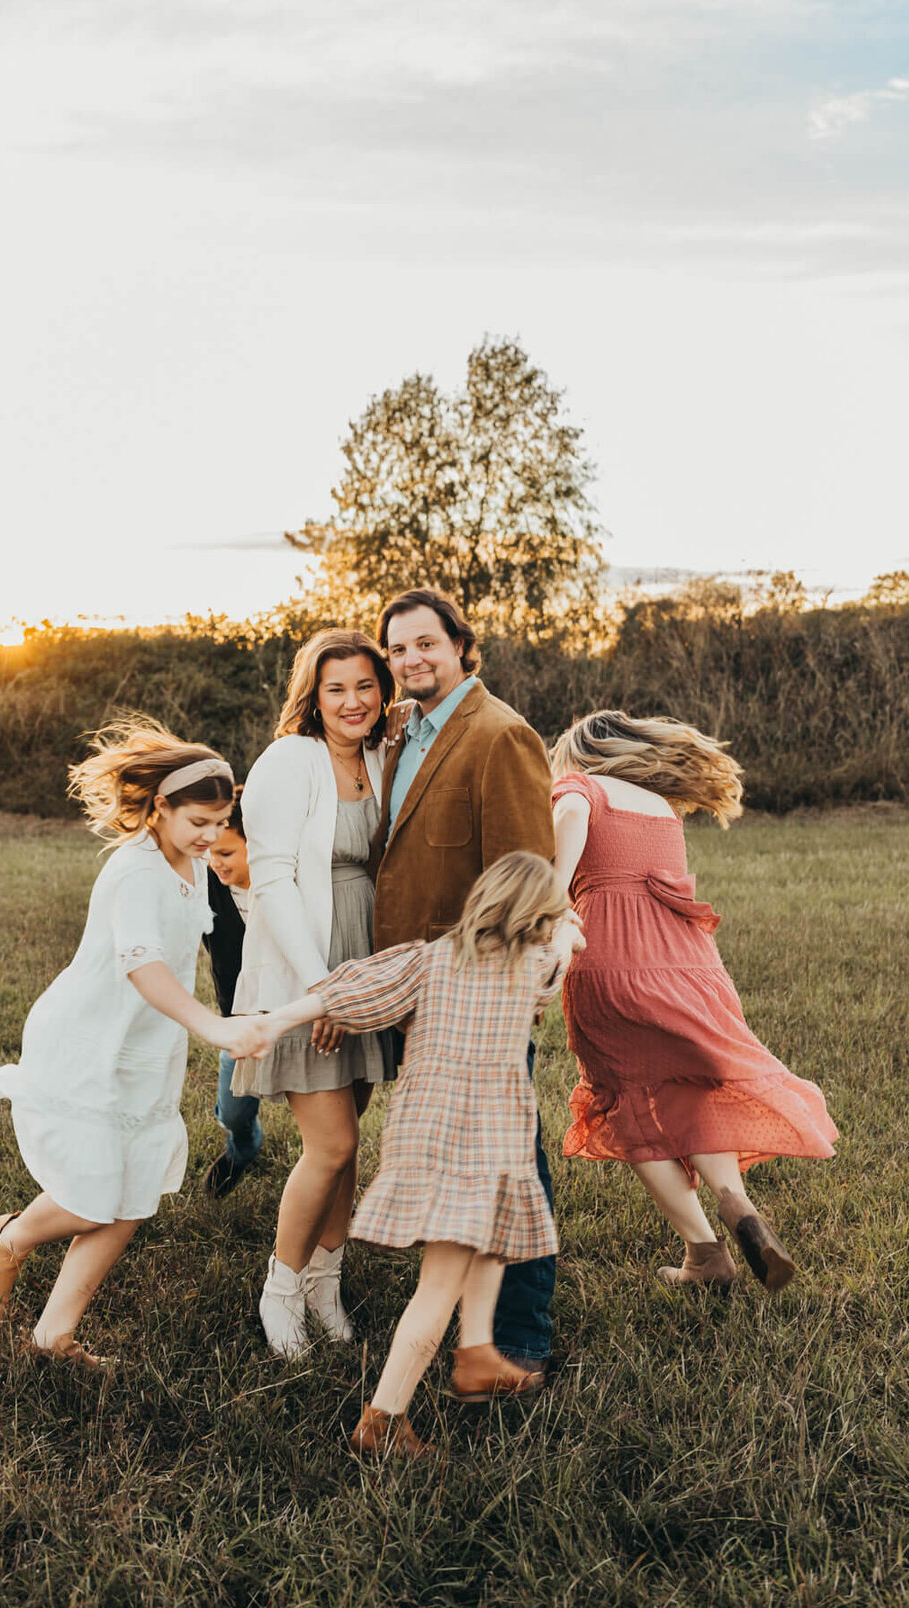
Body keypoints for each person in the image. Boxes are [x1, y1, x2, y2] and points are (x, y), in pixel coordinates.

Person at [260, 853, 585, 1458]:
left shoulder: (430, 959)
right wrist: (567, 925)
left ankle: (477, 1351)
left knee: (494, 1237)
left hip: (432, 1132)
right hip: (483, 1137)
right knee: (439, 1287)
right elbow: (569, 942)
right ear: (540, 917)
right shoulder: (539, 964)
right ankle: (383, 1421)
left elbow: (353, 991)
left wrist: (276, 1019)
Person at [0, 719, 269, 1366]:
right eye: (199, 822)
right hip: (92, 1038)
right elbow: (142, 962)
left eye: (221, 823)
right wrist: (212, 1027)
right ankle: (12, 1239)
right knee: (89, 1197)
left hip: (145, 1046)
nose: (212, 837)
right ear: (160, 806)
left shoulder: (190, 860)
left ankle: (55, 1333)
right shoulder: (135, 871)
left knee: (131, 1197)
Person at [551, 710, 838, 1294]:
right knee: (693, 1092)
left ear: (581, 754)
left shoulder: (577, 788)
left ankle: (705, 1254)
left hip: (611, 963)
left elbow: (558, 872)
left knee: (625, 1103)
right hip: (689, 964)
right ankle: (738, 1207)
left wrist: (546, 902)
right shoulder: (661, 808)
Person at [365, 587, 558, 1373]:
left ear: (460, 646)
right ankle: (453, 1308)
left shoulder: (500, 735)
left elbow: (530, 876)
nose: (411, 659)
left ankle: (518, 1330)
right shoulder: (403, 732)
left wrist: (515, 992)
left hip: (479, 993)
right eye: (398, 649)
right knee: (455, 1154)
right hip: (415, 985)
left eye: (425, 644)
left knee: (512, 1157)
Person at [230, 628, 397, 1357]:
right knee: (329, 1144)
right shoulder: (288, 760)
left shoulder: (382, 759)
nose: (353, 701)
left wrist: (365, 985)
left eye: (365, 685)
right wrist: (319, 990)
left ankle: (328, 1283)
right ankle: (280, 1288)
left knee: (350, 1141)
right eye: (337, 689)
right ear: (313, 695)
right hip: (307, 962)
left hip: (368, 961)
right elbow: (268, 879)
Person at [201, 787, 264, 1198]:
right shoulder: (205, 885)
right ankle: (243, 1147)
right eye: (210, 852)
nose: (215, 863)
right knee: (234, 1111)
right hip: (238, 1020)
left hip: (292, 1010)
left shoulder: (283, 883)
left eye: (226, 853)